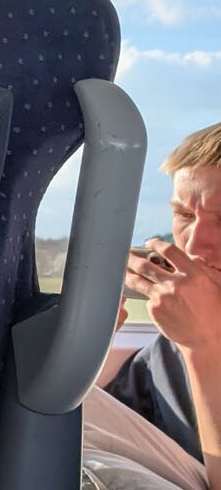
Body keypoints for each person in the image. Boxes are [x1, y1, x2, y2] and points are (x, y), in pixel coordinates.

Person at [106, 121, 221, 490]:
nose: (194, 244)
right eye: (185, 216)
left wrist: (203, 348)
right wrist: (86, 344)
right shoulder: (166, 354)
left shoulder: (190, 341)